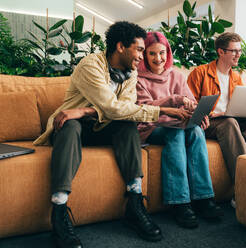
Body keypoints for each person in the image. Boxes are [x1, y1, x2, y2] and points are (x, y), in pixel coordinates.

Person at [33, 21, 189, 247]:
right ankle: (59, 212)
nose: (141, 56)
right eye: (139, 49)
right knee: (71, 124)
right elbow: (113, 107)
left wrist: (86, 110)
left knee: (127, 125)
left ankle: (135, 204)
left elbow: (123, 110)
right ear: (120, 47)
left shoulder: (131, 72)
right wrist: (162, 109)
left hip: (102, 125)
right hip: (71, 128)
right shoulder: (90, 65)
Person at [136, 31, 223, 229]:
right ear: (144, 55)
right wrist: (172, 100)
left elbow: (190, 101)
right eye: (152, 54)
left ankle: (202, 198)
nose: (158, 59)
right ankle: (180, 202)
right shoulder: (137, 78)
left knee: (196, 132)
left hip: (179, 124)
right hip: (151, 127)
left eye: (162, 53)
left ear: (168, 52)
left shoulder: (176, 74)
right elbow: (144, 109)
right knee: (174, 133)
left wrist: (198, 115)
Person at [187, 32, 246, 199]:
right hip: (210, 123)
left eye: (240, 51)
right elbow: (190, 106)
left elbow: (241, 106)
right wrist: (214, 113)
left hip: (231, 120)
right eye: (234, 51)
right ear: (221, 52)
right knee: (229, 122)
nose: (238, 55)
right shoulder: (200, 73)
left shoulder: (236, 77)